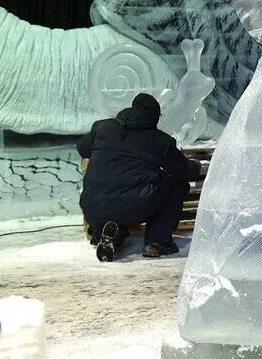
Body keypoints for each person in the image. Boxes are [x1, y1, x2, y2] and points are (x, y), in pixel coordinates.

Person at [78, 93, 202, 262]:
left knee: (115, 200)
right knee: (175, 185)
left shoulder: (102, 128)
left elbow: (83, 149)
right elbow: (185, 172)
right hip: (133, 206)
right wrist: (193, 162)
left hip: (93, 205)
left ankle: (110, 235)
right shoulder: (160, 141)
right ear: (154, 117)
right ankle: (157, 242)